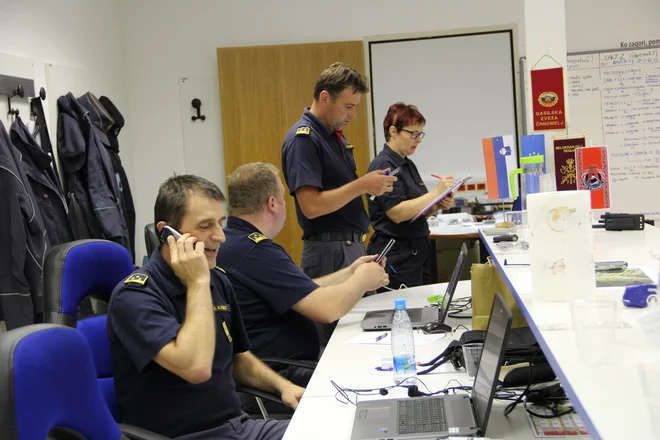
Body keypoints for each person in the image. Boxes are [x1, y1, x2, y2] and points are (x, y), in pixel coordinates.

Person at [107, 175, 303, 440]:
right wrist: (197, 282)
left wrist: (283, 386)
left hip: (237, 427)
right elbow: (196, 368)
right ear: (167, 233)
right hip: (186, 436)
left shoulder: (217, 280)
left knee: (337, 429)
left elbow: (238, 360)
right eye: (205, 226)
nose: (220, 236)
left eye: (220, 223)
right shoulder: (135, 296)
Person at [217, 162, 389, 396]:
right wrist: (361, 281)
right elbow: (327, 309)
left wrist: (350, 272)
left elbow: (303, 292)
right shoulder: (256, 250)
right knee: (375, 375)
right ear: (272, 203)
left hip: (271, 367)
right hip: (279, 374)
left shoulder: (233, 241)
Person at [281, 62, 396, 344]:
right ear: (324, 98)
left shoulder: (332, 137)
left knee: (363, 334)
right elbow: (311, 206)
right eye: (347, 106)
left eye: (355, 106)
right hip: (329, 251)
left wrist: (370, 186)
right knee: (338, 340)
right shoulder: (304, 140)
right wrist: (362, 185)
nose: (353, 114)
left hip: (349, 246)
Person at [367, 103, 455, 291]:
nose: (418, 139)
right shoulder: (383, 166)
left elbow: (415, 211)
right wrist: (435, 193)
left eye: (420, 134)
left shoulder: (407, 164)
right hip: (398, 255)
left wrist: (436, 205)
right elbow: (397, 213)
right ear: (393, 131)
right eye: (413, 133)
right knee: (404, 311)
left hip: (417, 250)